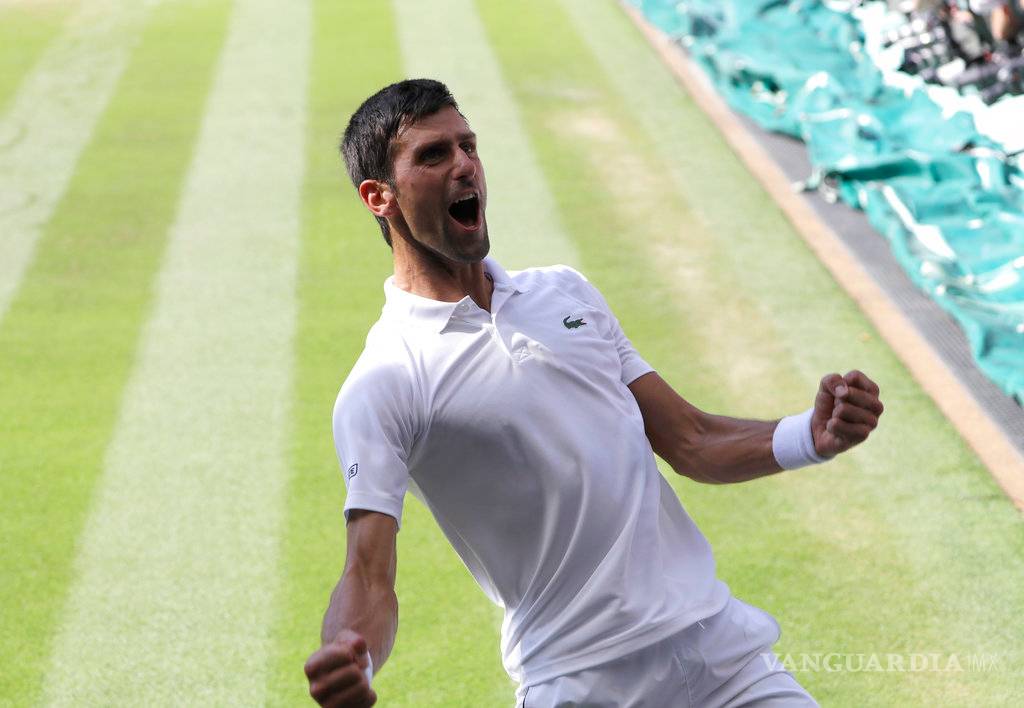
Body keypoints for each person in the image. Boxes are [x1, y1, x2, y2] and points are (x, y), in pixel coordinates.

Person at [303, 79, 884, 707]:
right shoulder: (384, 380)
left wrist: (811, 436)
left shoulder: (565, 293)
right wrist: (349, 655)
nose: (464, 164)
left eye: (467, 145)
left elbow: (690, 439)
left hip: (721, 658)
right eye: (433, 155)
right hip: (581, 685)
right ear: (377, 197)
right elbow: (368, 573)